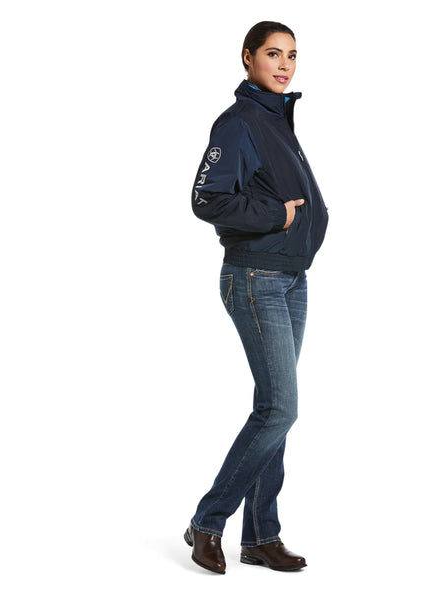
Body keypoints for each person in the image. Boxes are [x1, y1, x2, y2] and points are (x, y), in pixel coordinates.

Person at [185, 20, 329, 574]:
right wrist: (279, 214)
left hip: (291, 277)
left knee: (275, 411)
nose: (284, 64)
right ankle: (207, 522)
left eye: (292, 55)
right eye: (273, 53)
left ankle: (261, 536)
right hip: (255, 277)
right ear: (248, 58)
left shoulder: (276, 117)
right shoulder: (239, 121)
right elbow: (206, 199)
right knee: (280, 408)